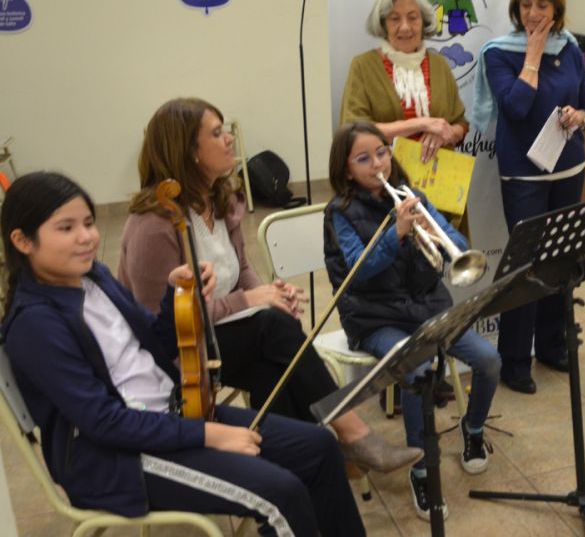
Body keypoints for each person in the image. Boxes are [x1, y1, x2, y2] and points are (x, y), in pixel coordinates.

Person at [1, 172, 365, 536]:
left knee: (318, 446)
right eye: (66, 228)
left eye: (88, 223)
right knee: (279, 493)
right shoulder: (35, 324)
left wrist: (179, 299)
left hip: (173, 417)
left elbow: (157, 346)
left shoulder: (94, 278)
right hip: (116, 457)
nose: (86, 237)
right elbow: (103, 422)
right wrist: (210, 435)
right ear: (22, 241)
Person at [117, 97, 422, 474]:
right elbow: (160, 324)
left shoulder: (220, 199)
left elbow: (241, 267)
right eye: (216, 133)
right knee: (275, 330)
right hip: (179, 355)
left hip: (220, 337)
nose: (229, 139)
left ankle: (296, 468)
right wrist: (251, 300)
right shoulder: (152, 225)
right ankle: (352, 434)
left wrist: (270, 294)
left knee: (275, 363)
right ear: (189, 151)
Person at [323, 120, 501, 521]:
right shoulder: (340, 213)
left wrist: (440, 236)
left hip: (426, 308)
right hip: (374, 319)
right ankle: (421, 470)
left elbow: (455, 246)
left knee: (489, 360)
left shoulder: (410, 194)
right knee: (419, 373)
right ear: (346, 169)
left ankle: (473, 431)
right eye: (364, 158)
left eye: (382, 153)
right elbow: (357, 269)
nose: (377, 163)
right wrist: (397, 234)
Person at [471, 0, 585, 394]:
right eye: (526, 4)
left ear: (556, 7)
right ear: (516, 6)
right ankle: (514, 359)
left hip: (568, 168)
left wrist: (580, 117)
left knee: (558, 259)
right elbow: (516, 108)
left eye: (542, 4)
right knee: (525, 264)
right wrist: (533, 57)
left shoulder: (573, 48)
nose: (533, 13)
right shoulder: (497, 52)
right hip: (523, 173)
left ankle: (552, 345)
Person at [340, 0, 468, 163]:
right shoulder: (363, 66)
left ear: (423, 22)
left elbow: (461, 125)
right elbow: (354, 131)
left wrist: (444, 134)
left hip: (437, 181)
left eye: (413, 17)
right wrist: (422, 124)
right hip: (383, 181)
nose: (405, 27)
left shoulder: (440, 65)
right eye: (395, 19)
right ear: (383, 25)